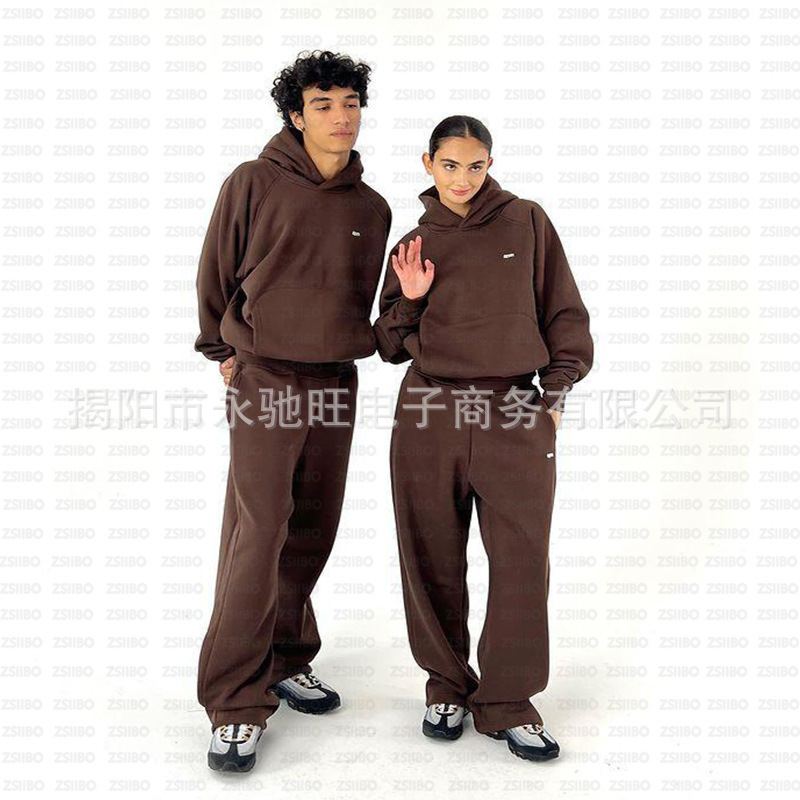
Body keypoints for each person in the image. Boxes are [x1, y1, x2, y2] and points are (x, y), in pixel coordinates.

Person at [194, 50, 391, 772]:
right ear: (296, 115)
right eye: (324, 104)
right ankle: (233, 703)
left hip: (336, 376)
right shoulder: (253, 181)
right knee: (259, 530)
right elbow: (217, 270)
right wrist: (222, 348)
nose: (341, 116)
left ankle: (285, 658)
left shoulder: (373, 208)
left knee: (312, 525)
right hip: (267, 375)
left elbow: (361, 300)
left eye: (350, 103)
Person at [373, 115, 593, 762]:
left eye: (475, 165)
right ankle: (445, 685)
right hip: (429, 409)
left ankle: (509, 700)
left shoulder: (526, 221)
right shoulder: (413, 242)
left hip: (512, 407)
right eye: (450, 165)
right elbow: (387, 343)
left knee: (522, 560)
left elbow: (563, 310)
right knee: (430, 554)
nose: (463, 178)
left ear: (490, 163)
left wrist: (554, 393)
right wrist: (413, 297)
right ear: (428, 164)